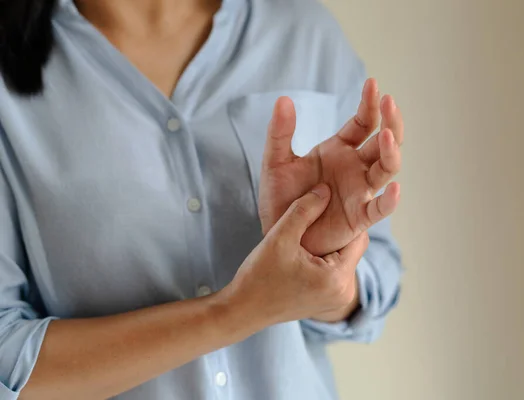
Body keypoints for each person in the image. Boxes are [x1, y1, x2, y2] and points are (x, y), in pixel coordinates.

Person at [0, 0, 404, 399]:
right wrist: (238, 310)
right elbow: (7, 360)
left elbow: (374, 282)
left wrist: (321, 265)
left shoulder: (303, 31)